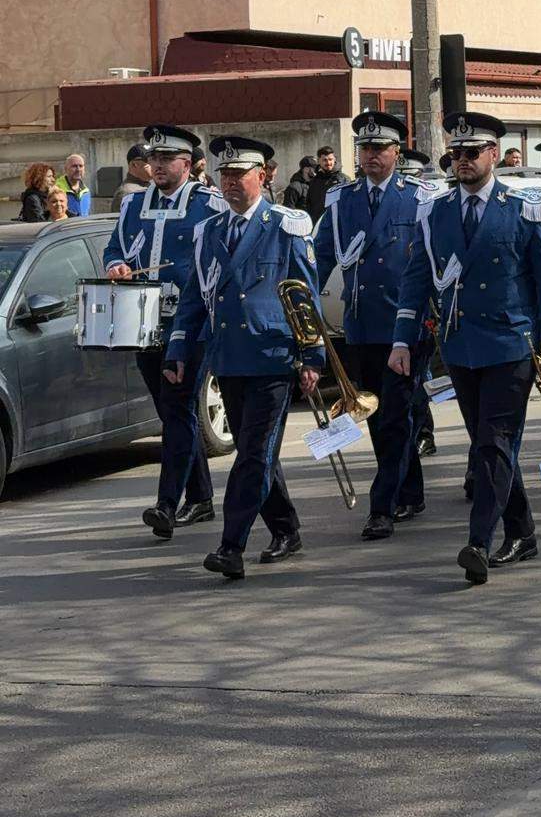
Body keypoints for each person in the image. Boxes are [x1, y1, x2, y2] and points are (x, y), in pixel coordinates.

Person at [390, 111, 541, 585]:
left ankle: (477, 541)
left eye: (473, 153)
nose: (463, 161)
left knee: (494, 443)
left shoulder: (524, 206)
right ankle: (523, 531)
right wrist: (402, 338)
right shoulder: (435, 210)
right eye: (456, 154)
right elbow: (416, 278)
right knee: (490, 445)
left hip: (510, 343)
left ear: (495, 153)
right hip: (459, 345)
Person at [164, 134, 324, 580]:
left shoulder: (286, 225)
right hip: (228, 358)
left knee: (252, 453)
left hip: (272, 357)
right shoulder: (208, 231)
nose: (231, 183)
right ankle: (286, 528)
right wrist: (178, 348)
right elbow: (195, 299)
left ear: (263, 176)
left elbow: (304, 296)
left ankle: (230, 545)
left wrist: (313, 357)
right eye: (224, 175)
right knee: (262, 453)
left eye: (239, 174)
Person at [104, 125, 228, 540]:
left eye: (166, 159)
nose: (156, 166)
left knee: (176, 407)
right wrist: (116, 266)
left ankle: (166, 503)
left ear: (188, 165)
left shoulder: (208, 204)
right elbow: (114, 248)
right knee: (171, 411)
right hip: (144, 323)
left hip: (189, 324)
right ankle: (202, 498)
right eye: (153, 159)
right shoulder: (132, 206)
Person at [313, 111, 427, 539]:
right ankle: (410, 489)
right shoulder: (342, 200)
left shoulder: (419, 197)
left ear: (397, 151)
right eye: (365, 148)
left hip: (405, 323)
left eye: (380, 148)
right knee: (382, 417)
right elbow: (323, 256)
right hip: (361, 324)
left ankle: (382, 506)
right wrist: (304, 302)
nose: (371, 156)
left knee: (394, 413)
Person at [306, 145, 351, 224]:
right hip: (317, 224)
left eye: (330, 159)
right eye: (325, 160)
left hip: (338, 224)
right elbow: (309, 204)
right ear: (319, 161)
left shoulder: (343, 180)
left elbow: (349, 204)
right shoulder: (314, 181)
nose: (328, 163)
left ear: (334, 160)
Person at [109, 143, 152, 213]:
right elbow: (118, 222)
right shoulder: (127, 193)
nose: (154, 164)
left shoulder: (152, 186)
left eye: (154, 160)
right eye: (148, 162)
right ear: (134, 164)